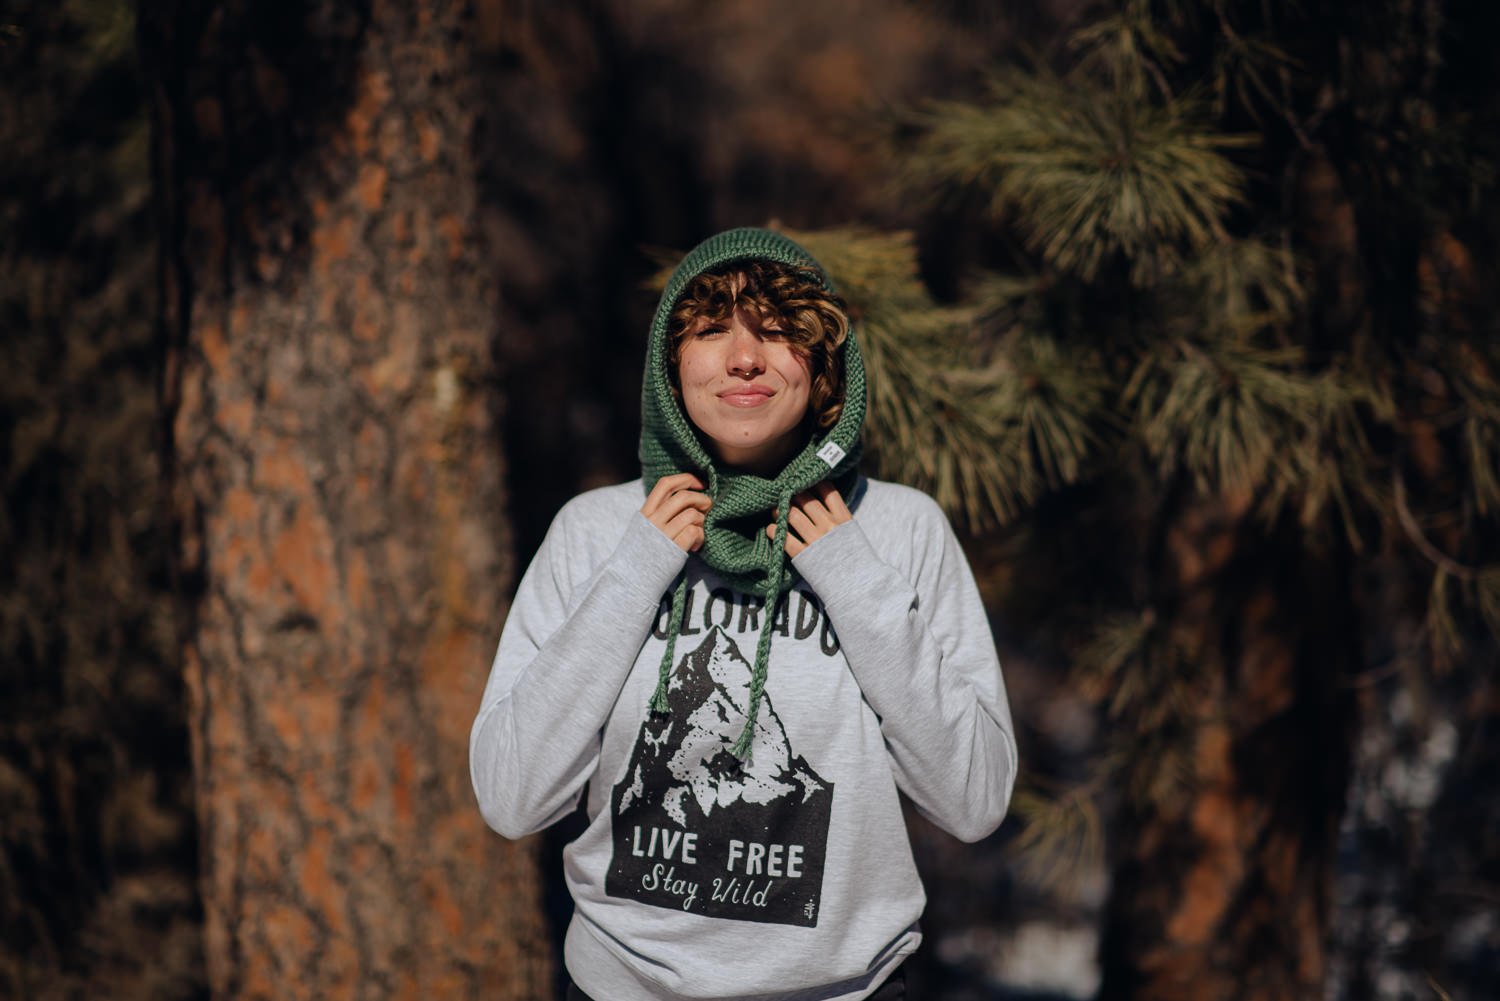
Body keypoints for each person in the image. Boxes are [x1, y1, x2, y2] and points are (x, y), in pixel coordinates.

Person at [470, 227, 1017, 1001]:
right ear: (671, 361)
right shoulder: (596, 534)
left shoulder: (898, 532)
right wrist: (635, 571)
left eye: (779, 329)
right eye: (711, 328)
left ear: (825, 365)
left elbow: (975, 799)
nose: (745, 356)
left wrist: (853, 579)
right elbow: (511, 794)